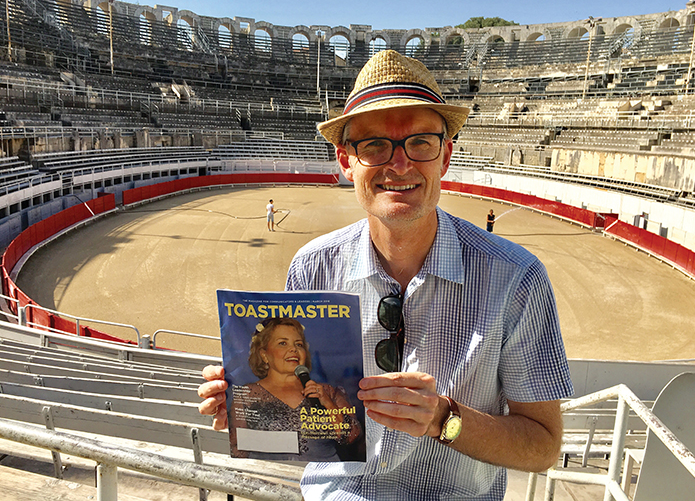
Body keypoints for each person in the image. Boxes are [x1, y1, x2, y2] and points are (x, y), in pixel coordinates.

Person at [199, 50, 573, 500]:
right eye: (375, 144)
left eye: (420, 142)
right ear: (346, 161)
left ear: (445, 156)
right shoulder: (312, 265)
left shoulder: (518, 277)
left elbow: (543, 446)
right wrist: (248, 405)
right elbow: (309, 423)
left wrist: (444, 419)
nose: (399, 164)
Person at [228, 317, 361, 462]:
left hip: (324, 478)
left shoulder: (328, 392)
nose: (293, 349)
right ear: (264, 355)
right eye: (282, 343)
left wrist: (328, 404)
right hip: (270, 476)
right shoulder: (246, 395)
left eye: (299, 344)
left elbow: (351, 437)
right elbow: (237, 449)